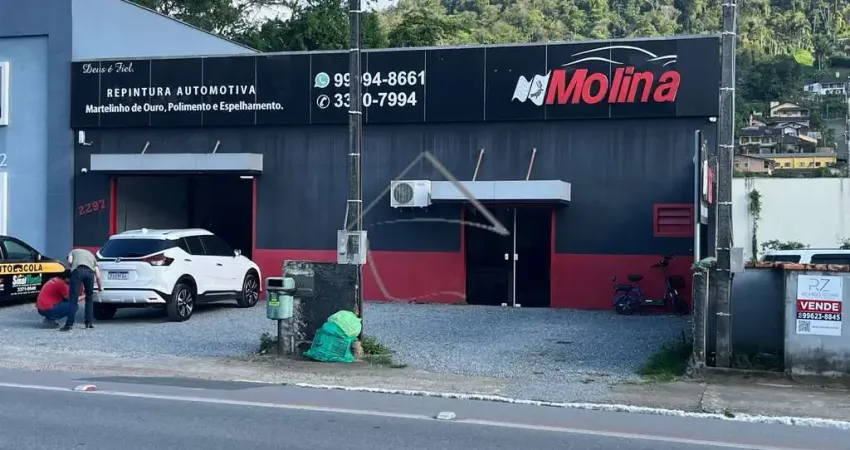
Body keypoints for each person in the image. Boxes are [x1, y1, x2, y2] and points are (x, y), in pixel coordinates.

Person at [63, 248, 103, 331]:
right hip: (90, 273)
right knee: (89, 298)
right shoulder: (92, 256)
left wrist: (72, 267)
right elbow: (98, 275)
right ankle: (89, 323)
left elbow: (70, 261)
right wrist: (100, 287)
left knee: (73, 299)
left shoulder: (73, 251)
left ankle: (69, 325)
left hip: (77, 271)